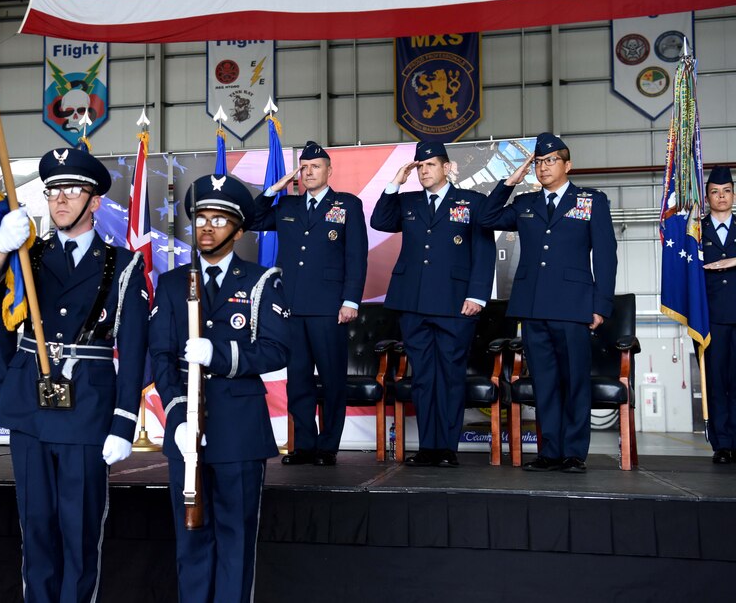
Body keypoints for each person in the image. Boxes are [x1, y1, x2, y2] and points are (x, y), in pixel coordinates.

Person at [0, 147, 149, 602]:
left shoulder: (124, 265)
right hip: (32, 407)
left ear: (94, 202)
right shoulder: (27, 257)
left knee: (80, 529)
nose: (61, 199)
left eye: (73, 190)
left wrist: (124, 422)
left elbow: (133, 350)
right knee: (36, 529)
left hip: (88, 410)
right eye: (53, 190)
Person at [150, 173, 289, 603]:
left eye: (220, 219)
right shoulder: (173, 284)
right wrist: (177, 416)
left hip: (238, 430)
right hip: (185, 433)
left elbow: (275, 350)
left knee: (235, 539)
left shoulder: (262, 281)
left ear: (239, 229)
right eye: (201, 218)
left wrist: (221, 355)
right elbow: (160, 356)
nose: (207, 227)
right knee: (191, 538)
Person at [478, 132, 617, 473]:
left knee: (573, 382)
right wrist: (511, 180)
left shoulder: (591, 201)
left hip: (573, 306)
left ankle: (572, 453)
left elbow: (606, 255)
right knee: (545, 384)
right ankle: (549, 452)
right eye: (538, 162)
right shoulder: (526, 204)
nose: (543, 167)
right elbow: (486, 218)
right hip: (534, 306)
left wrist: (600, 305)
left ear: (568, 165)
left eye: (551, 160)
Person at [370, 142, 495, 467]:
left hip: (456, 304)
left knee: (451, 377)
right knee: (423, 377)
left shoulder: (471, 202)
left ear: (447, 167)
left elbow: (483, 250)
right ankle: (428, 447)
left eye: (430, 165)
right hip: (413, 302)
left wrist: (477, 294)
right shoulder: (407, 201)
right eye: (419, 166)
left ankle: (446, 448)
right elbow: (380, 222)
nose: (424, 171)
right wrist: (396, 181)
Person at [247, 141, 368, 466]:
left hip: (330, 308)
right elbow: (252, 220)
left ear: (329, 170)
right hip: (292, 307)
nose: (309, 172)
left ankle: (327, 447)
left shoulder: (347, 205)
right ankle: (303, 444)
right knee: (298, 380)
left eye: (315, 166)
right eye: (304, 167)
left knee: (331, 380)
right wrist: (274, 188)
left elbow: (356, 256)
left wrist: (350, 300)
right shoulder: (286, 207)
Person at [700, 166, 736, 464]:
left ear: (733, 195)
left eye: (726, 191)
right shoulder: (695, 230)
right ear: (707, 196)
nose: (721, 197)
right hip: (710, 318)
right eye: (715, 192)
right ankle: (722, 444)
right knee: (715, 381)